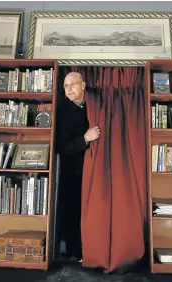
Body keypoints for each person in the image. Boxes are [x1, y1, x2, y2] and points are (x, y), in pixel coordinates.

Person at [56, 72, 100, 261]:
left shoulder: (95, 107)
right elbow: (61, 146)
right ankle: (77, 252)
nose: (69, 88)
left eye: (73, 84)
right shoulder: (62, 112)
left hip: (95, 169)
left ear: (83, 85)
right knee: (73, 211)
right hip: (72, 171)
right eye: (66, 86)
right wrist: (85, 139)